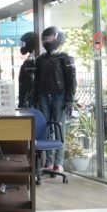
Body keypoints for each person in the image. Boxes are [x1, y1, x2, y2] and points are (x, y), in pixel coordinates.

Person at [34, 26, 76, 172]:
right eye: (45, 38)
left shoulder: (65, 58)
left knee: (58, 127)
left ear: (57, 38)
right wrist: (35, 99)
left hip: (60, 96)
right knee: (46, 128)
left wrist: (69, 100)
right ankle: (49, 161)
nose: (46, 40)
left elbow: (72, 80)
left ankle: (59, 162)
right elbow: (36, 81)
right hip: (43, 96)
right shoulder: (40, 60)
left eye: (49, 37)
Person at [18, 31, 37, 108]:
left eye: (24, 43)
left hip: (32, 98)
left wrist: (21, 102)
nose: (22, 46)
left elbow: (24, 85)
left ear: (29, 43)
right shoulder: (31, 60)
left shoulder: (31, 61)